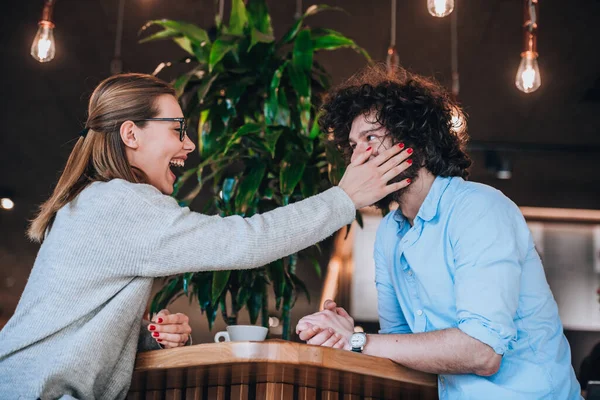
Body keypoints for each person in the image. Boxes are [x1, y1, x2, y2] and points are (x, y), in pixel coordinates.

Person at [0, 73, 412, 399]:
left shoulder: (94, 201)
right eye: (178, 129)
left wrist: (144, 338)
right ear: (131, 135)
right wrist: (344, 198)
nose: (190, 144)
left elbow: (74, 326)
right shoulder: (121, 203)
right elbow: (247, 241)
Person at [296, 65, 582, 400]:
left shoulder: (479, 209)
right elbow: (399, 346)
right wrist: (350, 335)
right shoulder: (390, 233)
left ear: (414, 140)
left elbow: (482, 352)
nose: (357, 157)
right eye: (353, 144)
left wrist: (357, 341)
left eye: (371, 138)